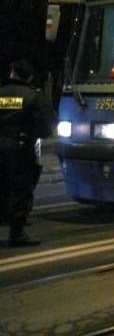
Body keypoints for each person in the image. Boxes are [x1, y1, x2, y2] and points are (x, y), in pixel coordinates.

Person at [0, 60, 56, 247]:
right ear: (30, 77)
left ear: (12, 73)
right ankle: (17, 235)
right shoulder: (35, 97)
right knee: (21, 190)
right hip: (21, 150)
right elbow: (46, 129)